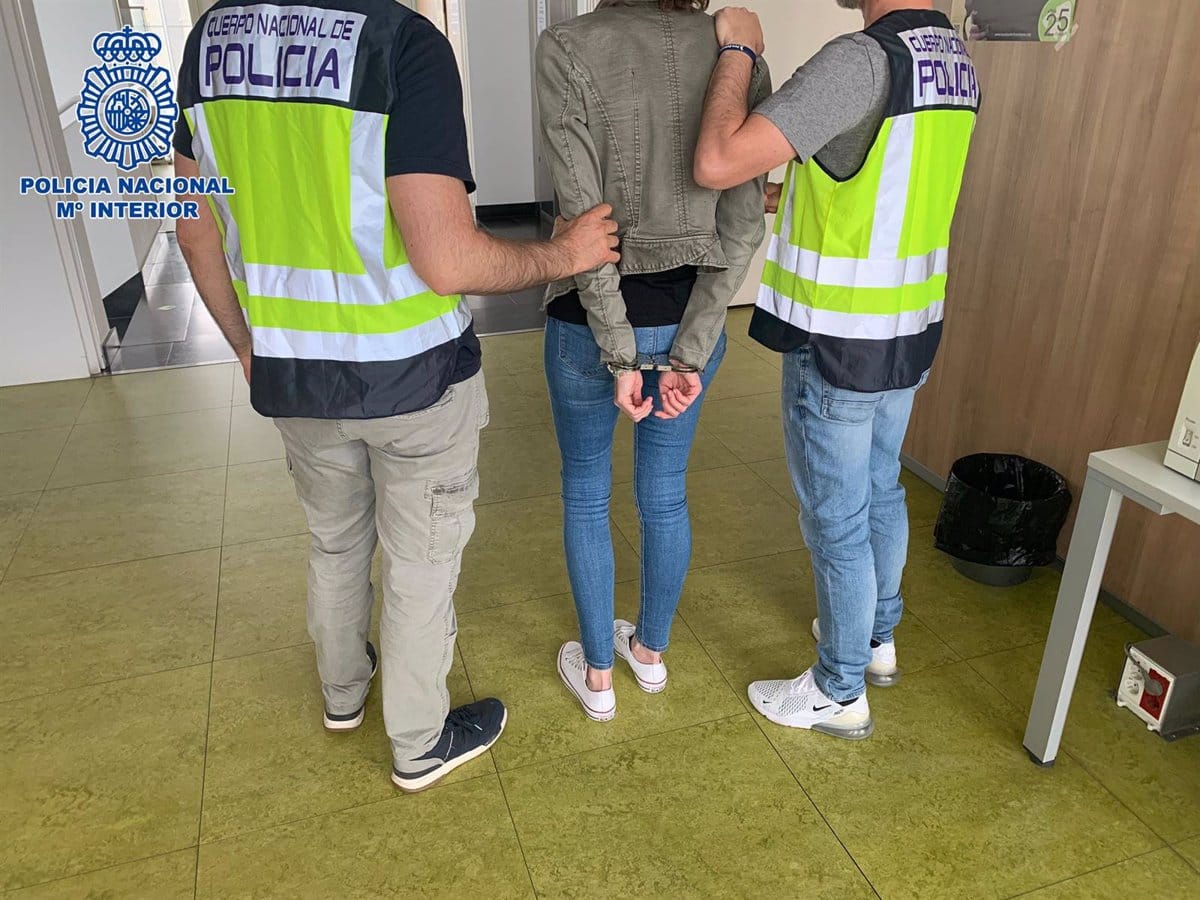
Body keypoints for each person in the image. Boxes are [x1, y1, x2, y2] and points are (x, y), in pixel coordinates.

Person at [173, 0, 619, 791]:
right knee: (419, 562)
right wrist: (564, 254)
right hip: (413, 377)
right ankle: (418, 743)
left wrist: (245, 343)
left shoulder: (212, 40)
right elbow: (448, 260)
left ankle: (343, 693)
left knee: (335, 540)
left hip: (295, 370)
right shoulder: (400, 44)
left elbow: (194, 228)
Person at [693, 0, 980, 738]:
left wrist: (740, 53)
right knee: (880, 490)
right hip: (906, 328)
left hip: (840, 340)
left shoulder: (859, 60)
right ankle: (876, 638)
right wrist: (785, 194)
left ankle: (838, 688)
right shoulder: (950, 59)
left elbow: (717, 160)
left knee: (836, 519)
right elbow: (873, 181)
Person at [535, 0, 770, 721]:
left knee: (586, 492)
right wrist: (689, 351)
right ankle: (650, 654)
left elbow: (585, 223)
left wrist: (619, 352)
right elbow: (743, 222)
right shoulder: (735, 51)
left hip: (586, 323)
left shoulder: (565, 45)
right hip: (689, 315)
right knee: (664, 493)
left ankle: (598, 676)